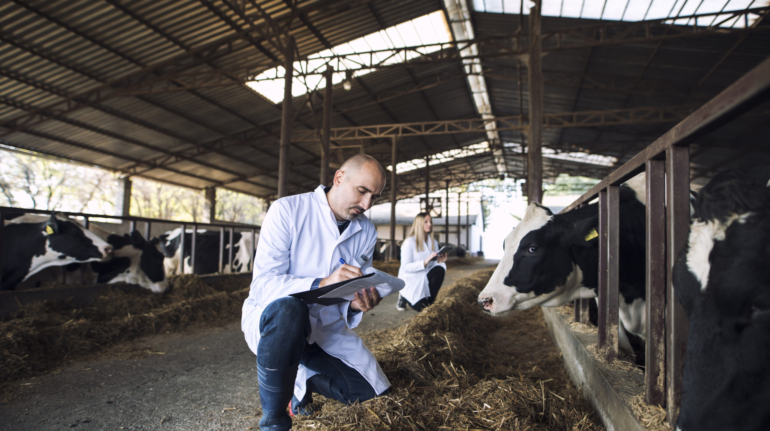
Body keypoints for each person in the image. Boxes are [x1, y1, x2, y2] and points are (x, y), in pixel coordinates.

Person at [242, 154, 390, 431]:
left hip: (324, 329)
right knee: (289, 309)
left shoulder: (366, 231)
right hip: (277, 324)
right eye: (362, 191)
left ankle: (302, 377)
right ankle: (274, 421)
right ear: (339, 178)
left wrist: (356, 304)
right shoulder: (287, 210)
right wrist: (320, 282)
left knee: (370, 391)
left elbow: (351, 289)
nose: (367, 204)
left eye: (375, 196)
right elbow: (263, 283)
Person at [396, 212, 447, 312]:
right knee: (420, 308)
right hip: (411, 279)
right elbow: (405, 267)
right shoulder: (409, 242)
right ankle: (403, 295)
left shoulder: (433, 242)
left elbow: (433, 265)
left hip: (425, 276)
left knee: (440, 269)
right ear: (419, 224)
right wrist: (424, 262)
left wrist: (440, 261)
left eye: (431, 222)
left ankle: (430, 302)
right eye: (426, 222)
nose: (430, 224)